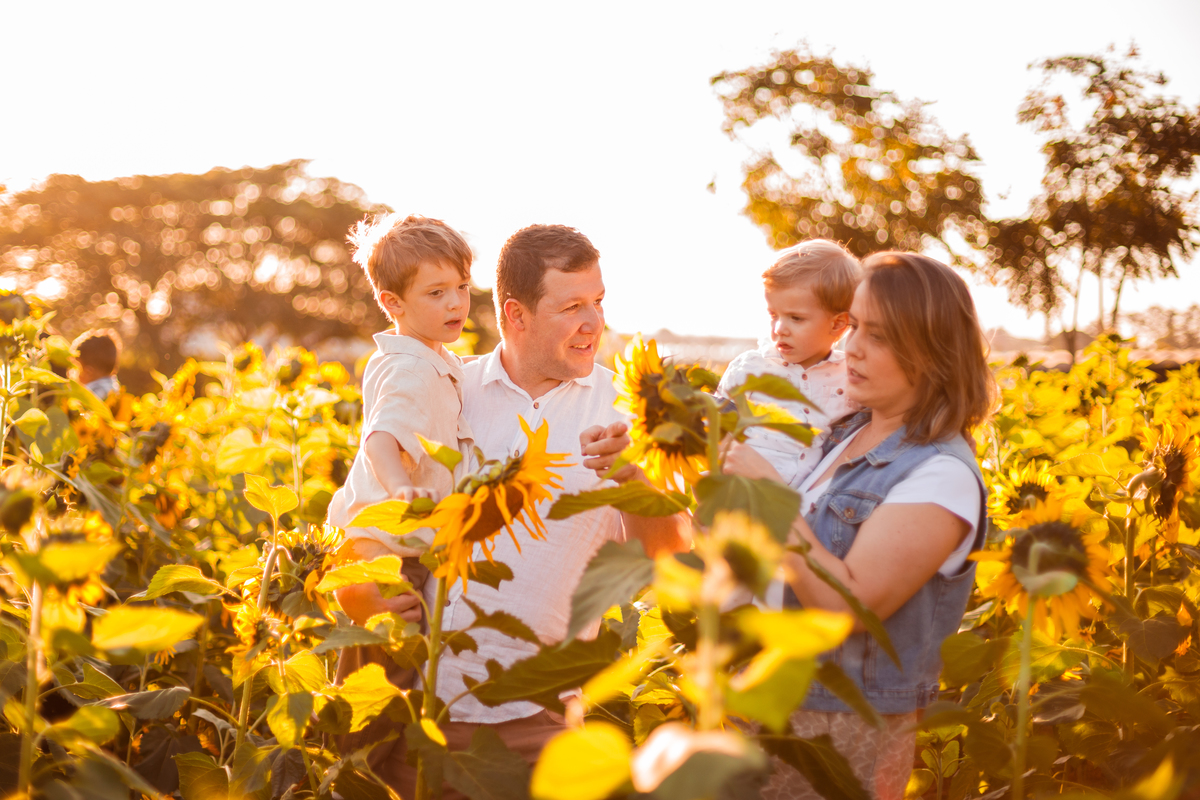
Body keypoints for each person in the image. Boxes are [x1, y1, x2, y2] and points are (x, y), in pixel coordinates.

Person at [384, 224, 690, 798]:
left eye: (598, 302)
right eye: (572, 307)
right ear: (515, 315)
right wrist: (366, 592)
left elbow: (672, 560)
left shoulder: (625, 411)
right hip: (414, 706)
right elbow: (371, 504)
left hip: (537, 720)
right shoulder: (450, 388)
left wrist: (636, 478)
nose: (594, 323)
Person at [724, 252, 996, 800]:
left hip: (836, 729)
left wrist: (772, 499)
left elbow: (844, 607)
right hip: (762, 695)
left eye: (880, 336)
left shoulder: (941, 475)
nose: (852, 347)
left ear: (933, 353)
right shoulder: (839, 433)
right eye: (854, 326)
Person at [324, 213, 475, 764]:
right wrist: (399, 490)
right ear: (393, 303)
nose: (456, 303)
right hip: (385, 552)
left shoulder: (425, 357)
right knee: (375, 694)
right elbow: (381, 439)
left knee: (379, 682)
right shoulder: (412, 370)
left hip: (381, 546)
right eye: (436, 293)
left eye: (461, 287)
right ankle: (348, 780)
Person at [717, 240, 862, 489]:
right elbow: (717, 430)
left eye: (796, 318)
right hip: (739, 492)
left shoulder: (849, 377)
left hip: (804, 503)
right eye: (773, 315)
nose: (779, 329)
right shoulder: (750, 368)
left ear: (838, 324)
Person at [72, 329, 122, 401]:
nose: (72, 374)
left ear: (89, 372)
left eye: (75, 368)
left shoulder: (92, 394)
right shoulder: (115, 390)